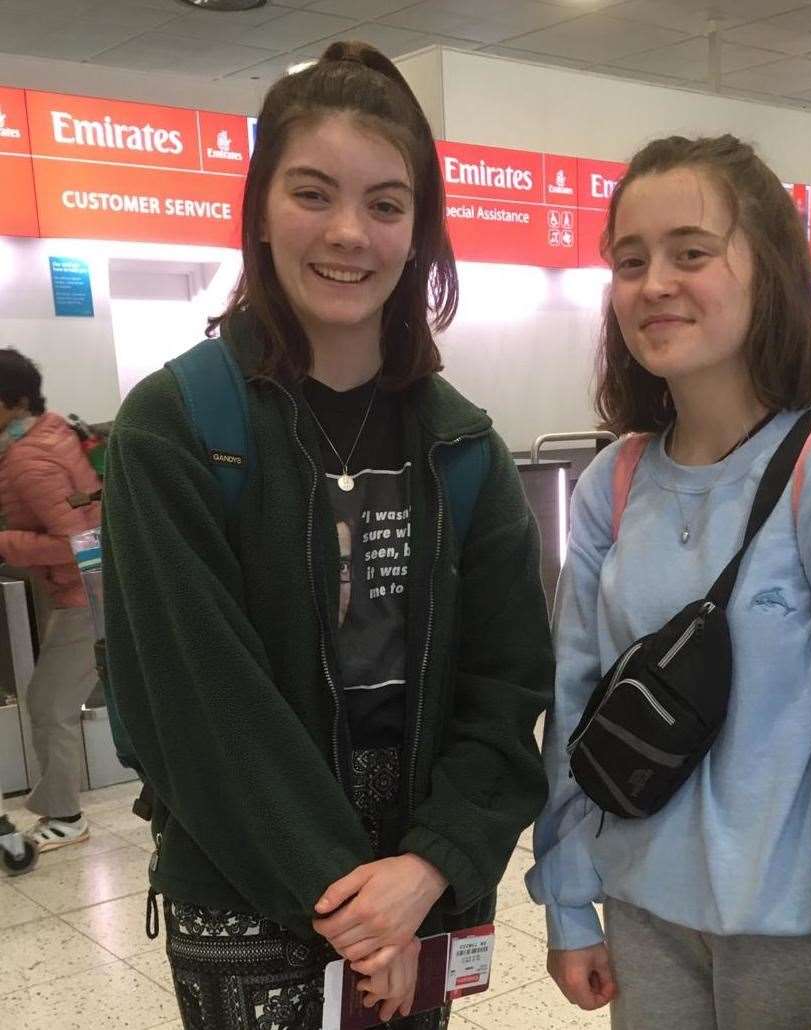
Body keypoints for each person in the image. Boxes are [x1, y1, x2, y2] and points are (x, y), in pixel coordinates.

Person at [101, 41, 553, 1030]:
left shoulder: (461, 443)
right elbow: (192, 703)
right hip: (247, 880)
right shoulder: (175, 430)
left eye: (385, 205)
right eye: (312, 193)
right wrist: (354, 903)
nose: (348, 233)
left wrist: (429, 866)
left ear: (418, 233)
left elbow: (508, 685)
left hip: (418, 878)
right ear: (261, 210)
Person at [528, 135, 811, 1030]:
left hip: (795, 935)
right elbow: (574, 706)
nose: (655, 284)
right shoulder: (616, 482)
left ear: (767, 271)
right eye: (630, 260)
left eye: (692, 252)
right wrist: (568, 899)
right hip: (643, 917)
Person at [0, 349, 100, 853]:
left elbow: (76, 541)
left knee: (49, 702)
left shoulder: (28, 456)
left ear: (14, 401)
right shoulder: (55, 430)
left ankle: (64, 816)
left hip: (87, 593)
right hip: (98, 587)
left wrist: (5, 542)